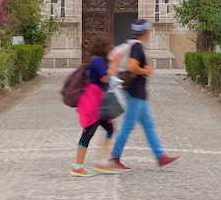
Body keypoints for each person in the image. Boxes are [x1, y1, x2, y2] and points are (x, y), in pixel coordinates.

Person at [97, 19, 178, 171]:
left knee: (148, 125)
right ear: (146, 31)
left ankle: (160, 156)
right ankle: (114, 157)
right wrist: (146, 70)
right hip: (135, 92)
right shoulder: (137, 47)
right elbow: (132, 67)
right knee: (128, 126)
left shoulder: (133, 44)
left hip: (138, 92)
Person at [71, 34, 118, 177]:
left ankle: (102, 161)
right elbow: (104, 77)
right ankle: (78, 167)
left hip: (100, 102)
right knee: (88, 133)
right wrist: (115, 64)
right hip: (93, 103)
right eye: (109, 46)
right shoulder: (96, 60)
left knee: (110, 129)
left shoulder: (99, 60)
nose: (111, 49)